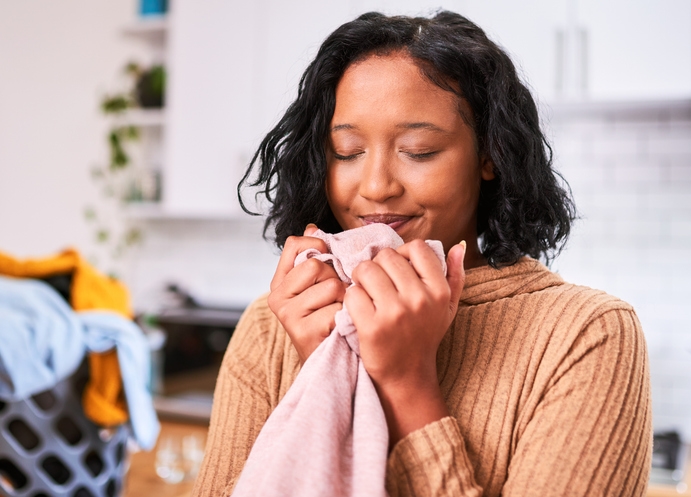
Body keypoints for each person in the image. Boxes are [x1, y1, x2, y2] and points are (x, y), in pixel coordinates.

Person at [193, 10, 652, 497]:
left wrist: (405, 383)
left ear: (489, 155)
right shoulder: (271, 326)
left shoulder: (587, 334)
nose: (375, 187)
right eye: (347, 152)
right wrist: (328, 369)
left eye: (418, 150)